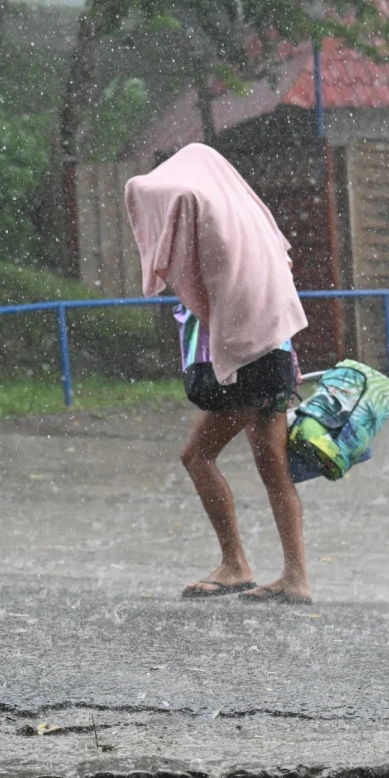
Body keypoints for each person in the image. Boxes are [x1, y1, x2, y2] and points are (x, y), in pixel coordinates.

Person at [124, 143, 313, 605]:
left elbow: (219, 305)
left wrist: (228, 365)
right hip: (275, 360)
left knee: (197, 456)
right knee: (273, 467)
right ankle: (296, 577)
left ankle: (235, 564)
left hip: (250, 366)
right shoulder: (250, 224)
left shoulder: (214, 234)